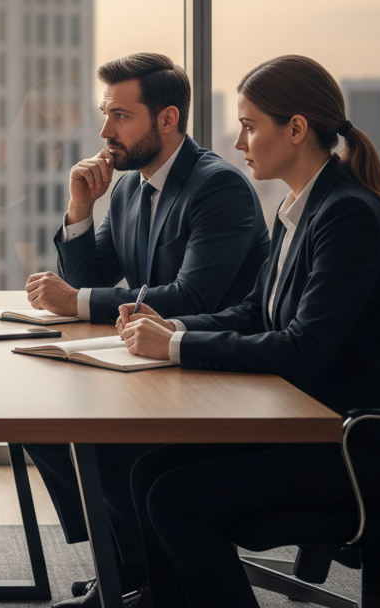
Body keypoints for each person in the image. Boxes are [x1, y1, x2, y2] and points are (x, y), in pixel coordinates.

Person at [119, 55, 380, 608]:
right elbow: (256, 312)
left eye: (250, 125)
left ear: (297, 129)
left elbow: (304, 348)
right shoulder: (299, 207)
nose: (239, 142)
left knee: (175, 499)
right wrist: (172, 326)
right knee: (149, 472)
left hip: (362, 445)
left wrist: (179, 346)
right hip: (315, 426)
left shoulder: (346, 216)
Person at [22, 52, 270, 607]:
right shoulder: (133, 187)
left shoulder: (218, 188)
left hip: (218, 376)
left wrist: (80, 300)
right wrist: (80, 208)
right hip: (155, 365)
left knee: (96, 443)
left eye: (120, 115)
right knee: (36, 421)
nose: (105, 130)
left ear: (166, 119)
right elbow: (88, 281)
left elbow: (192, 297)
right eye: (105, 114)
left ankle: (139, 575)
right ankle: (130, 567)